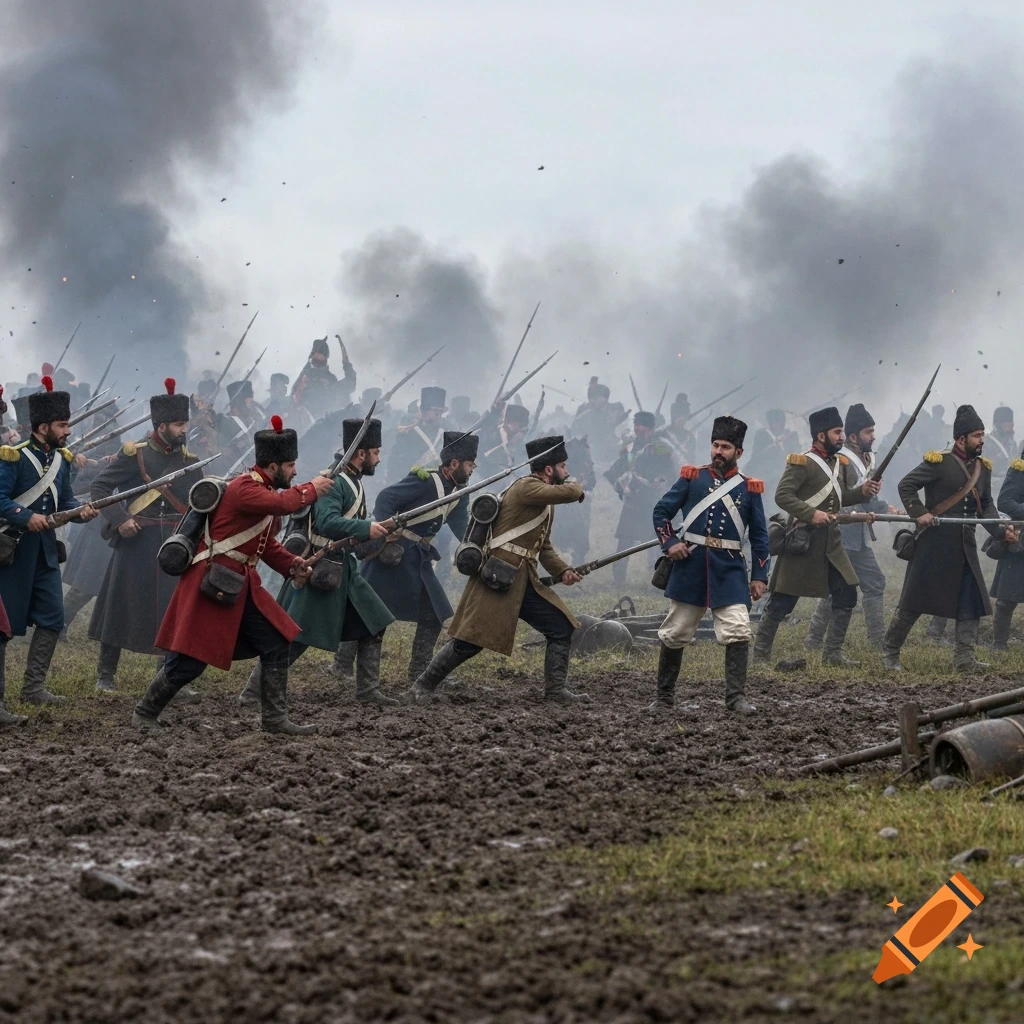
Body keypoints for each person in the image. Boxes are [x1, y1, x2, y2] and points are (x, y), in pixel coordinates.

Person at [130, 417, 332, 734]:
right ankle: (144, 714)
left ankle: (275, 720)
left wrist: (292, 564)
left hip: (241, 584)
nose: (294, 472)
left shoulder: (262, 491)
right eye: (290, 465)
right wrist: (312, 490)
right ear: (273, 465)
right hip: (213, 582)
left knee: (278, 643)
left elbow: (264, 546)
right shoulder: (245, 489)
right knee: (191, 661)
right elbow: (283, 504)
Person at [407, 435, 589, 704]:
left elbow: (544, 547)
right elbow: (571, 493)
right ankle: (421, 687)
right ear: (549, 470)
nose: (567, 472)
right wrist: (578, 488)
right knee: (469, 641)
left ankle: (555, 692)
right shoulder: (528, 487)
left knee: (560, 627)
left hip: (521, 580)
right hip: (499, 577)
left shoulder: (542, 499)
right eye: (563, 466)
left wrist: (562, 571)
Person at [238, 417, 397, 709]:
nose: (378, 458)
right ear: (360, 453)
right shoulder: (337, 481)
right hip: (323, 569)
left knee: (374, 624)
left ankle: (368, 690)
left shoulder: (353, 481)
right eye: (375, 452)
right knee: (294, 639)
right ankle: (252, 694)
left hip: (344, 569)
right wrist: (365, 529)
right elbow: (326, 521)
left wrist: (375, 531)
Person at [87, 379, 204, 692]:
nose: (184, 430)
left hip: (174, 545)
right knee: (119, 606)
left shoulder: (190, 461)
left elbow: (201, 501)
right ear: (162, 425)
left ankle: (165, 677)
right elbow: (99, 488)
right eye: (179, 425)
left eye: (185, 424)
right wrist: (120, 518)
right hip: (137, 540)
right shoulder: (133, 454)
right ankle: (105, 676)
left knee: (172, 609)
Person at [882, 405, 1018, 674]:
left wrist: (1002, 531)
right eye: (977, 436)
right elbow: (906, 485)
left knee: (971, 601)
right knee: (913, 601)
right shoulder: (938, 462)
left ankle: (964, 659)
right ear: (961, 439)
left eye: (982, 435)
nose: (982, 440)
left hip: (964, 544)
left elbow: (987, 506)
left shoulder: (983, 468)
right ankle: (890, 653)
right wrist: (919, 513)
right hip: (933, 543)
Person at [650, 416, 770, 713]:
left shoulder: (749, 488)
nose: (718, 451)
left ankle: (735, 698)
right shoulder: (693, 477)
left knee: (738, 629)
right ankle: (664, 698)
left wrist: (760, 576)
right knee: (676, 631)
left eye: (726, 447)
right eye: (715, 445)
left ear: (738, 452)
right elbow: (661, 512)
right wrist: (670, 544)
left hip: (728, 569)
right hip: (691, 567)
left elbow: (759, 536)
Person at [752, 407, 882, 667]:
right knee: (782, 602)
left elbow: (840, 496)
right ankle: (759, 656)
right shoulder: (802, 462)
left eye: (842, 432)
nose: (842, 437)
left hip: (831, 544)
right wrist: (811, 514)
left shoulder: (839, 464)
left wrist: (862, 493)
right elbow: (783, 496)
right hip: (804, 542)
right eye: (837, 433)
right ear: (821, 435)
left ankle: (832, 655)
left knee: (847, 594)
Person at [0, 376, 100, 705]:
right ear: (43, 427)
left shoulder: (61, 460)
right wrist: (25, 516)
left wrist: (79, 511)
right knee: (2, 630)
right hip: (13, 553)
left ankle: (32, 689)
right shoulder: (13, 457)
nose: (67, 431)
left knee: (53, 618)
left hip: (44, 553)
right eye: (62, 425)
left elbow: (65, 499)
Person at [360, 431, 478, 682]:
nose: (471, 471)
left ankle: (419, 672)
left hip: (418, 558)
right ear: (454, 464)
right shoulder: (425, 480)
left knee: (433, 616)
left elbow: (462, 528)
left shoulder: (459, 493)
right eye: (469, 465)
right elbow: (385, 498)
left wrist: (479, 546)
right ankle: (342, 665)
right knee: (369, 614)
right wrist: (385, 537)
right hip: (394, 555)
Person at [804, 403, 890, 652]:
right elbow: (840, 500)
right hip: (841, 535)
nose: (872, 436)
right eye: (867, 432)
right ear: (853, 436)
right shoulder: (842, 462)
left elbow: (865, 498)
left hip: (858, 538)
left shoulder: (866, 459)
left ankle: (876, 642)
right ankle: (815, 640)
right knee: (838, 589)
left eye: (872, 431)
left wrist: (883, 506)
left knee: (873, 583)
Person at [605, 411, 675, 589]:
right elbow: (613, 471)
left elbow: (670, 473)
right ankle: (618, 581)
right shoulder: (630, 448)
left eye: (642, 425)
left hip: (653, 503)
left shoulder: (660, 448)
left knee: (661, 542)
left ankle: (663, 581)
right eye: (636, 425)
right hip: (633, 502)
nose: (638, 429)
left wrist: (661, 481)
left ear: (650, 429)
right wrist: (621, 488)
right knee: (624, 542)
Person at [990, 451, 1024, 650]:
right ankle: (999, 644)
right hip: (1019, 541)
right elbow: (1004, 502)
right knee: (1007, 599)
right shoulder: (1020, 469)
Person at [388, 386, 448, 482]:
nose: (438, 415)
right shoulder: (407, 435)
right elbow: (396, 467)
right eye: (434, 411)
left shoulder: (444, 434)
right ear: (423, 411)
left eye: (440, 412)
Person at [291, 336, 354, 421]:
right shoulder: (305, 376)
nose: (316, 358)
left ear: (325, 358)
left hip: (325, 421)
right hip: (304, 420)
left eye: (320, 356)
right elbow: (294, 395)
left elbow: (349, 385)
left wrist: (346, 364)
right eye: (315, 355)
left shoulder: (330, 378)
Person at [571, 378, 626, 467]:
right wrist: (586, 411)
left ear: (605, 398)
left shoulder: (615, 408)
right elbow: (575, 429)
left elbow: (620, 424)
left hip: (612, 449)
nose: (593, 400)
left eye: (596, 398)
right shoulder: (584, 410)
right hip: (591, 449)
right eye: (592, 398)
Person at [987, 406, 1016, 488]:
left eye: (1010, 421)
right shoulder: (987, 443)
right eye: (1005, 421)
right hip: (992, 489)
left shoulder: (1012, 443)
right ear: (998, 423)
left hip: (1009, 488)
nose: (1010, 424)